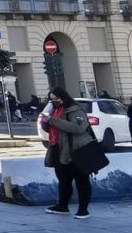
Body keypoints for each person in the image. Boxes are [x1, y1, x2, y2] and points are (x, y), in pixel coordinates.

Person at [40, 88, 96, 219]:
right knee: (64, 180)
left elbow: (77, 128)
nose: (54, 101)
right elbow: (52, 128)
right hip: (58, 148)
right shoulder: (55, 110)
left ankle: (83, 210)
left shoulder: (75, 110)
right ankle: (62, 206)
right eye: (52, 99)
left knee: (81, 180)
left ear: (63, 97)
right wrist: (46, 122)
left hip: (76, 150)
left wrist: (53, 121)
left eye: (56, 99)